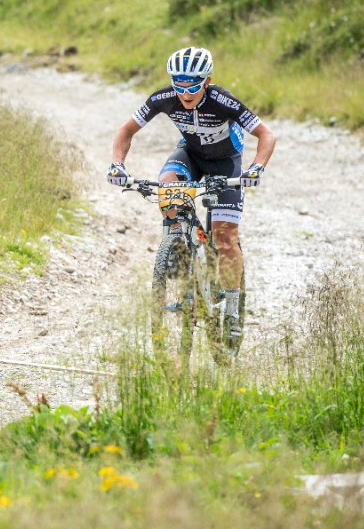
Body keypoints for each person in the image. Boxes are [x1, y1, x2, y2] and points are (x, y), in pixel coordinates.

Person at [107, 46, 276, 353]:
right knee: (167, 184)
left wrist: (256, 168)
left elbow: (267, 135)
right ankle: (176, 242)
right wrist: (117, 164)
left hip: (226, 163)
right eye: (178, 84)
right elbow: (126, 129)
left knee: (225, 237)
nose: (184, 92)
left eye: (192, 86)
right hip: (190, 156)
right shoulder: (164, 98)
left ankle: (233, 311)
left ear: (207, 81)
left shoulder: (223, 100)